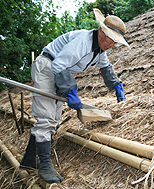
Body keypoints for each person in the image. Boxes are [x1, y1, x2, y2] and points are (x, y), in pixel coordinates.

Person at [20, 8, 129, 183]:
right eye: (111, 40)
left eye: (116, 42)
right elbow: (58, 65)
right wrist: (71, 91)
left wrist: (117, 85)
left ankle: (29, 160)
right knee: (46, 117)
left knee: (54, 119)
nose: (112, 45)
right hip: (48, 67)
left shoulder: (100, 50)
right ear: (101, 32)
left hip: (56, 71)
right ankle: (46, 166)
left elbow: (106, 68)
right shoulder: (82, 42)